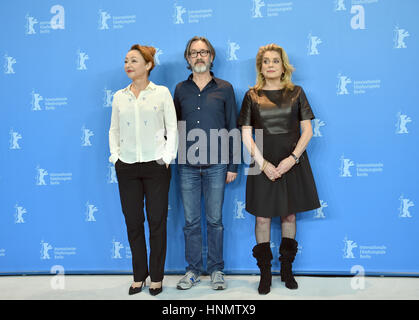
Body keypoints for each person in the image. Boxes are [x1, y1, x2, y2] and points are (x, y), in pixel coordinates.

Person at [238, 43, 320, 294]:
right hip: (261, 162)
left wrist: (292, 159)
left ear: (283, 65)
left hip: (292, 162)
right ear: (260, 67)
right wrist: (263, 164)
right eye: (266, 61)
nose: (270, 65)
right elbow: (245, 134)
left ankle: (286, 269)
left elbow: (308, 130)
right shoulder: (252, 95)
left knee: (289, 215)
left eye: (275, 60)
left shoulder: (297, 92)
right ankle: (264, 273)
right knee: (262, 217)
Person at [108, 44, 178, 296]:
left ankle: (157, 277)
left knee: (157, 222)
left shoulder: (161, 93)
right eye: (126, 60)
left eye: (134, 60)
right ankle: (139, 275)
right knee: (133, 223)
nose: (128, 64)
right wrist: (116, 157)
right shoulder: (119, 96)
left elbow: (173, 127)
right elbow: (113, 129)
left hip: (156, 166)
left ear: (148, 65)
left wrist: (167, 157)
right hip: (126, 166)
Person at [174, 36, 239, 290]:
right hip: (187, 165)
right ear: (188, 59)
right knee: (191, 222)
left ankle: (216, 269)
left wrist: (233, 165)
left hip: (217, 165)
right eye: (193, 53)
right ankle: (192, 269)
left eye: (203, 52)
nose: (199, 56)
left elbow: (233, 126)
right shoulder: (180, 89)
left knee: (215, 220)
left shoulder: (225, 88)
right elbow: (174, 126)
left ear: (211, 56)